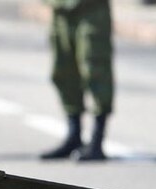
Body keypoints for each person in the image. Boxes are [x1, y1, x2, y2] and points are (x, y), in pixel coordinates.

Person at [39, 0, 114, 161]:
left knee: (95, 70)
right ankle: (74, 136)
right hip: (60, 8)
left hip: (91, 8)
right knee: (63, 72)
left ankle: (97, 139)